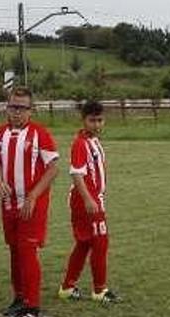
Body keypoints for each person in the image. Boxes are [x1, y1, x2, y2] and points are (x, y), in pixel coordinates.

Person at [0, 87, 60, 317]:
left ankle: (33, 307)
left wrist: (34, 195)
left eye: (22, 108)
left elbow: (53, 167)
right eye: (12, 107)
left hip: (30, 205)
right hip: (9, 204)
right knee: (15, 251)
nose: (16, 112)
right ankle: (19, 298)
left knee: (27, 252)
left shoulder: (39, 134)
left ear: (30, 110)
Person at [59, 100, 121, 304]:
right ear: (83, 120)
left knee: (84, 243)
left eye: (100, 120)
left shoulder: (93, 140)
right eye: (92, 120)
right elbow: (77, 174)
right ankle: (100, 290)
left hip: (92, 198)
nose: (96, 124)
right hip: (86, 200)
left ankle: (67, 287)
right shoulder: (80, 143)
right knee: (100, 242)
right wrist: (88, 199)